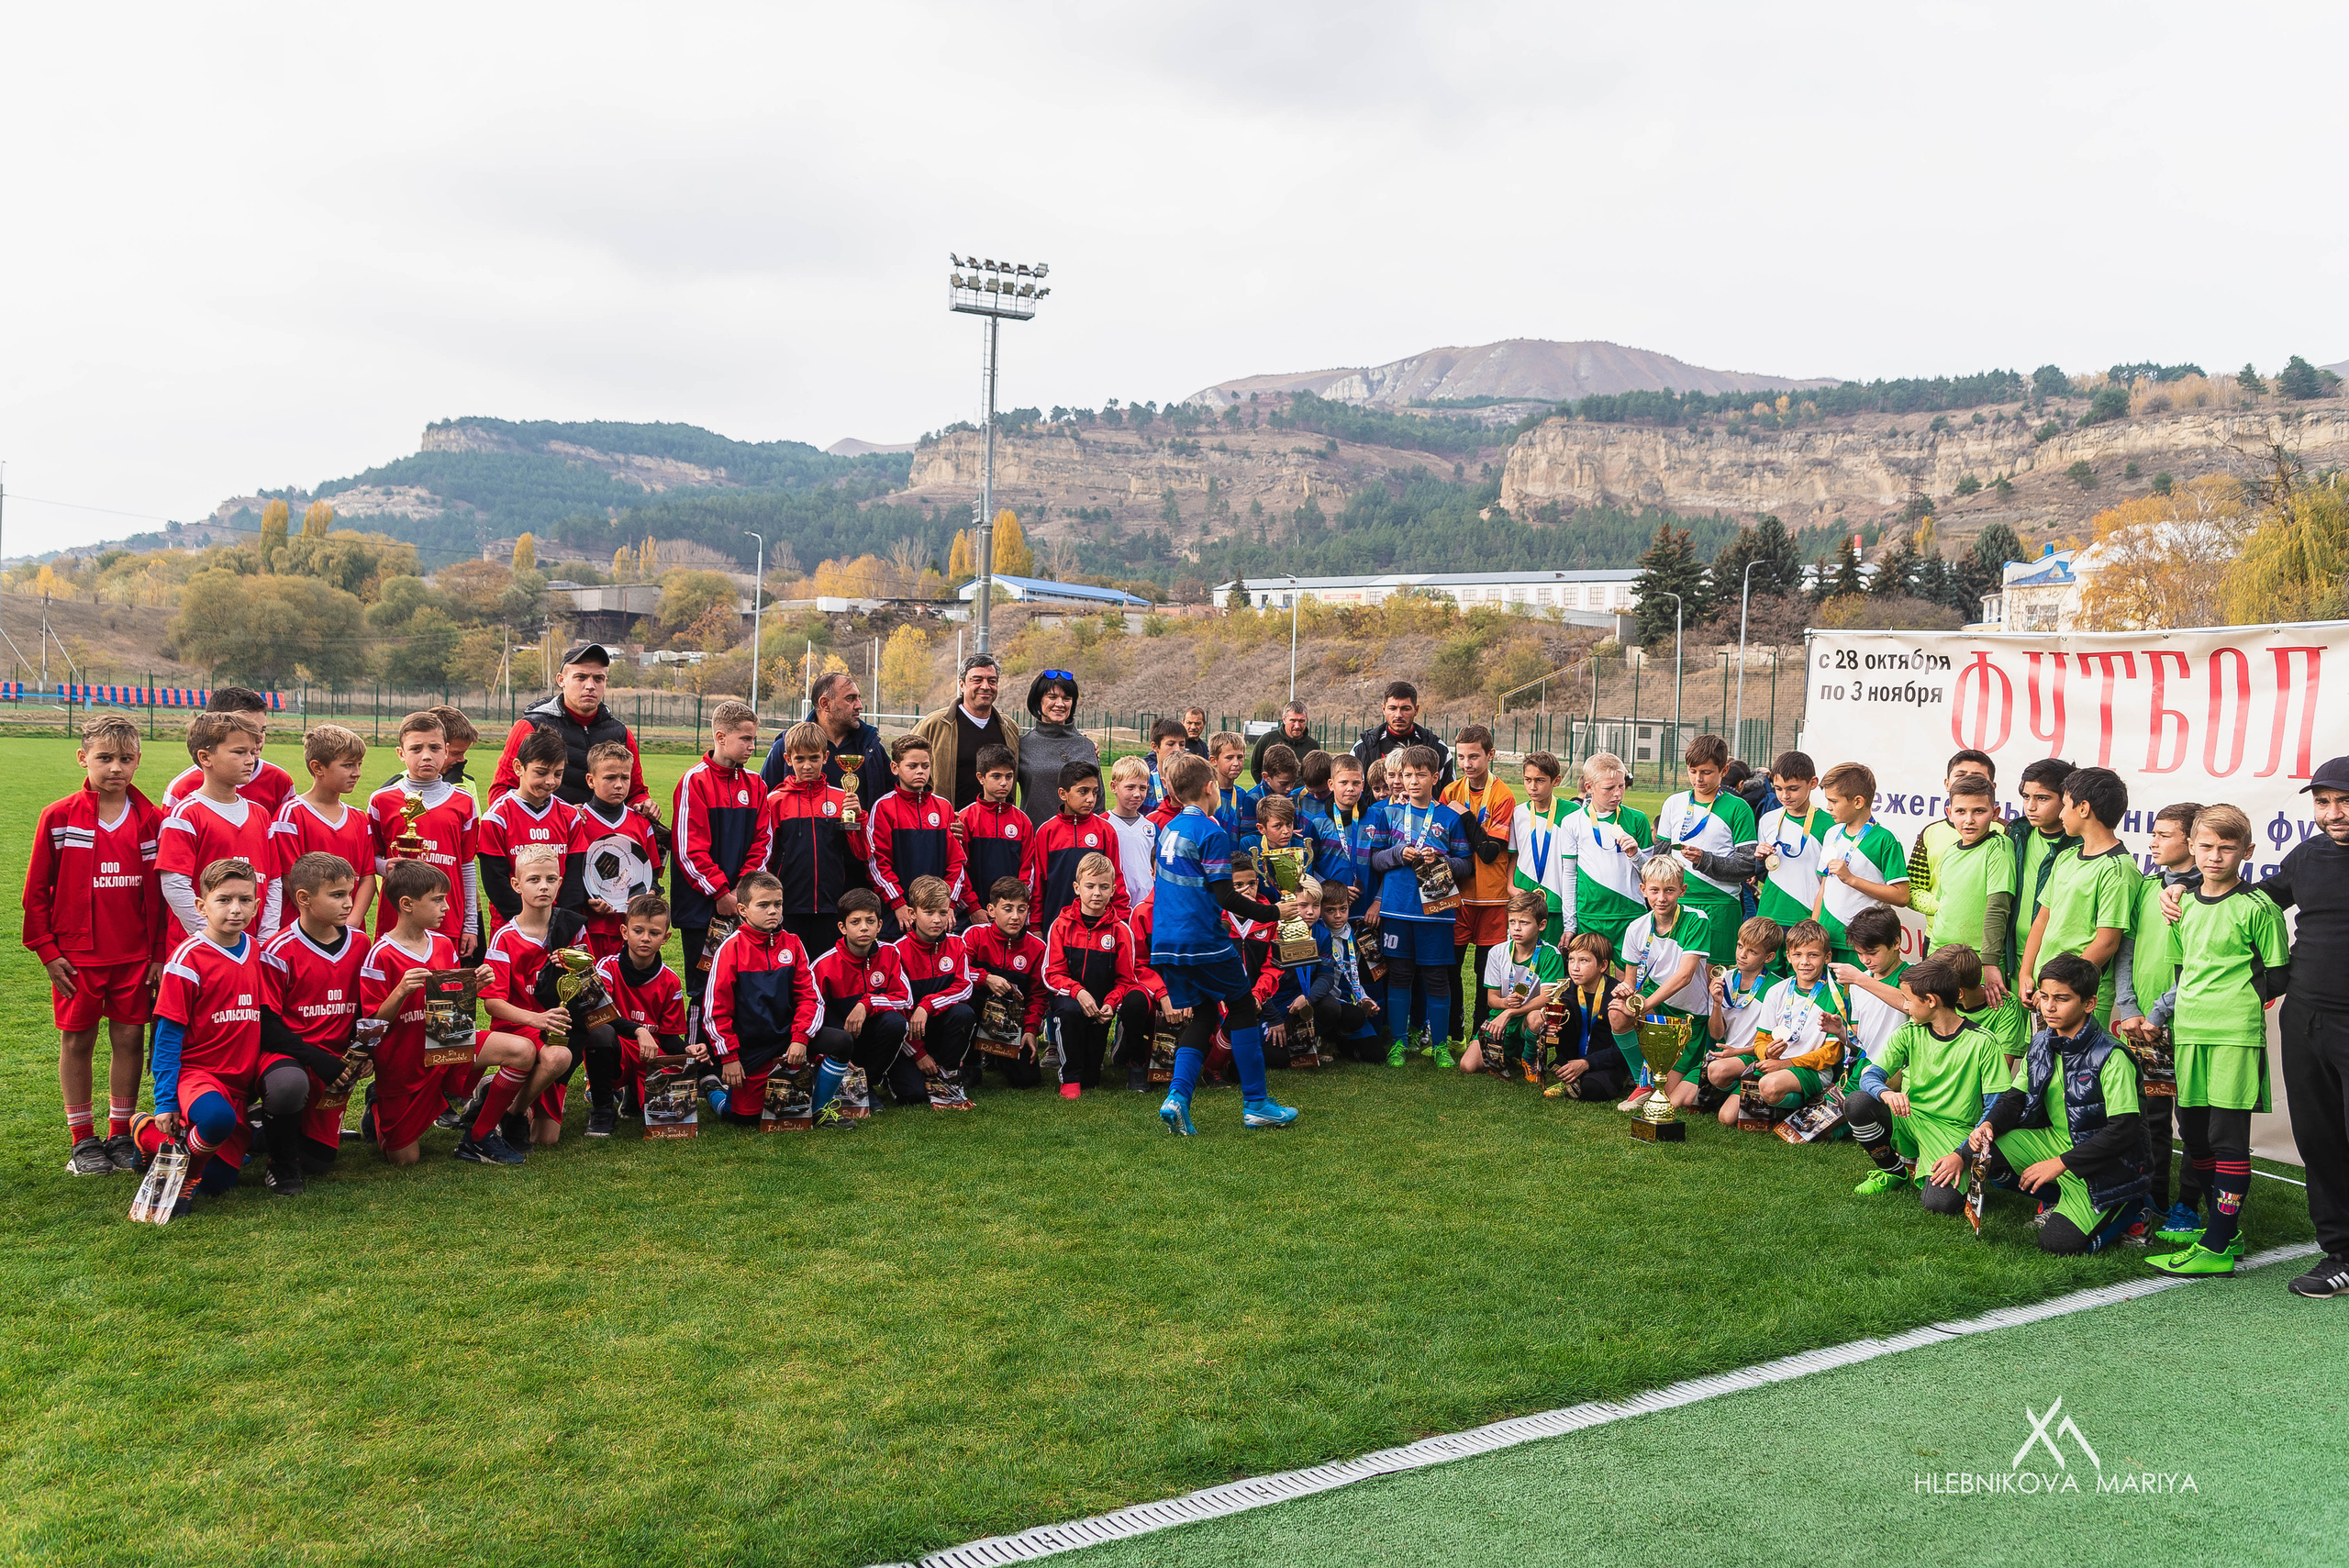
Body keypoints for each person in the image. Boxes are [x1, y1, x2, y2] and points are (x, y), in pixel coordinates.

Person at [2168, 756, 2349, 1299]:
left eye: (2344, 802)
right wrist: (2181, 886)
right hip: (2305, 1018)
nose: (2333, 814)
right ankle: (2340, 1254)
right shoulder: (2309, 855)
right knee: (2318, 1138)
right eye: (2323, 803)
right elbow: (2248, 902)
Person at [2132, 806, 2289, 1277]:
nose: (2215, 856)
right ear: (2193, 848)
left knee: (2227, 1137)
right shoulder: (2179, 904)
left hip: (2233, 1036)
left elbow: (2278, 975)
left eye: (2226, 847)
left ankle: (2217, 1246)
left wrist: (2235, 1003)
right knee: (2194, 1131)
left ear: (2248, 851)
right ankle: (2226, 1227)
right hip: (2189, 1032)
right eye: (2206, 846)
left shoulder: (2258, 908)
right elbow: (2183, 971)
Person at [28, 714, 169, 1174]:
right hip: (77, 958)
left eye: (126, 759)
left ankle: (121, 1133)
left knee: (129, 1038)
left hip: (134, 958)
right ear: (82, 757)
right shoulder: (59, 816)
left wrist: (157, 955)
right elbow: (36, 892)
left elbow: (166, 894)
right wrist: (49, 952)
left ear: (138, 762)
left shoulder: (153, 820)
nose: (115, 768)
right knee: (78, 1041)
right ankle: (82, 1140)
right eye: (104, 758)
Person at [131, 858, 308, 1212]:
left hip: (238, 1081)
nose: (235, 909)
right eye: (224, 900)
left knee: (222, 1182)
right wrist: (165, 1101)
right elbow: (166, 1037)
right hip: (198, 1075)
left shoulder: (257, 952)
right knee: (216, 1120)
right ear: (201, 906)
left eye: (245, 900)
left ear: (258, 905)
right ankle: (165, 1156)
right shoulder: (187, 960)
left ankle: (150, 1137)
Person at [1148, 751, 1300, 1134]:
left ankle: (1176, 1098)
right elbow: (1225, 896)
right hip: (1203, 938)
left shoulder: (1170, 828)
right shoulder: (1211, 831)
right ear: (1208, 787)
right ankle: (1256, 1104)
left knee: (1203, 1014)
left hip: (1167, 940)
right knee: (1244, 1008)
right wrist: (1274, 913)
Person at [1969, 952, 2151, 1255]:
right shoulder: (2041, 1040)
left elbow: (2124, 1130)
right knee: (1983, 1154)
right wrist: (1987, 1124)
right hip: (2056, 1145)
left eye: (2062, 999)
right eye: (2044, 996)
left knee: (2058, 1245)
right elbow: (2015, 1098)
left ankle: (2134, 1209)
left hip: (2107, 1166)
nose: (2049, 1007)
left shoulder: (2113, 1056)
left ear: (2089, 1003)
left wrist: (2061, 1163)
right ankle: (2059, 1198)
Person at [1843, 950, 2011, 1207]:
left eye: (1907, 999)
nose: (1905, 1005)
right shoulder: (1908, 1032)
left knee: (1939, 1204)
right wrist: (1886, 1093)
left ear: (1931, 1000)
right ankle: (1894, 1171)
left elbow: (1996, 1107)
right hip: (1910, 1119)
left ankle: (1941, 1168)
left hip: (1955, 1132)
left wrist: (1962, 1154)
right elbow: (1871, 1077)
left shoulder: (1983, 1042)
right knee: (1857, 1103)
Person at [2110, 799, 2205, 1229]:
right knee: (2151, 1117)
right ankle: (2154, 1200)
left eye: (2164, 835)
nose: (2153, 843)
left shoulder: (2207, 892)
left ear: (2191, 839)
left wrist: (2160, 1010)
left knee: (2195, 1120)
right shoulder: (2148, 887)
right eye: (2154, 833)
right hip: (2144, 1026)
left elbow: (2200, 966)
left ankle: (2189, 1204)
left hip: (2188, 1022)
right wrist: (2130, 1008)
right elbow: (2126, 950)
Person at [256, 851, 372, 1191]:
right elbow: (266, 1026)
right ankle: (280, 1165)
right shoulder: (279, 949)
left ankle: (258, 1128)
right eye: (337, 895)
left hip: (336, 1065)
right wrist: (315, 1058)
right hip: (291, 1057)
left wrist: (365, 1052)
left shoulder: (361, 944)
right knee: (288, 1087)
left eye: (350, 893)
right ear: (303, 899)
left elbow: (367, 1009)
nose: (349, 903)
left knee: (319, 1161)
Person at [475, 844, 590, 1149]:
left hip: (557, 1027)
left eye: (551, 879)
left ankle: (510, 1106)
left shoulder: (573, 929)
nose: (544, 886)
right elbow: (492, 1002)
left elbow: (588, 984)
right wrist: (538, 1018)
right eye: (534, 879)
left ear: (560, 882)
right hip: (519, 1028)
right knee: (557, 1056)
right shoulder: (505, 936)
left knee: (545, 1140)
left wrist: (574, 975)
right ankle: (510, 1106)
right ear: (516, 885)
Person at [1365, 744, 1472, 1068]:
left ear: (1435, 777)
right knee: (1399, 975)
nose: (1412, 781)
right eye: (1407, 775)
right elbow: (1375, 860)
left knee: (1437, 977)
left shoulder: (1449, 818)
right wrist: (1398, 854)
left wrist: (1444, 860)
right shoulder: (1388, 814)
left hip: (1437, 912)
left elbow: (1467, 865)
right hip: (1397, 910)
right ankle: (1399, 1042)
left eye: (1420, 775)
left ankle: (1439, 1045)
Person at [701, 872, 833, 1128]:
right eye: (763, 905)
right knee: (742, 1120)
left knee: (841, 1042)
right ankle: (712, 1088)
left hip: (787, 1040)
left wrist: (800, 1038)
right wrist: (729, 1057)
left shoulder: (793, 944)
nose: (773, 911)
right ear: (743, 910)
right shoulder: (730, 949)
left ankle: (818, 1110)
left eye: (778, 904)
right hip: (749, 1049)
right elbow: (714, 1012)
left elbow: (811, 999)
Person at [672, 699, 770, 1035]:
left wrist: (741, 893)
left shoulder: (756, 784)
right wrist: (720, 891)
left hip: (742, 906)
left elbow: (763, 842)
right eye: (745, 738)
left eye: (754, 738)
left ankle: (736, 1058)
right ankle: (697, 1059)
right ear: (720, 736)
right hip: (702, 908)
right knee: (703, 985)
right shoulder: (694, 782)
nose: (752, 746)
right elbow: (688, 848)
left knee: (741, 982)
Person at [2019, 765, 2140, 1026]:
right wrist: (2026, 974)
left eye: (2065, 805)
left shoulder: (2117, 868)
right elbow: (2042, 920)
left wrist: (2062, 988)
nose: (2061, 813)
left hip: (2077, 993)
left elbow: (2107, 942)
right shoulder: (2065, 857)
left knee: (2079, 1066)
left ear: (2083, 809)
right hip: (2049, 991)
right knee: (2045, 1064)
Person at [365, 710, 480, 956]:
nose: (426, 756)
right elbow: (367, 859)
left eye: (435, 748)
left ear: (446, 751)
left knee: (442, 991)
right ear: (401, 753)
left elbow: (467, 866)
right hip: (396, 920)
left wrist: (470, 925)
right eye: (416, 749)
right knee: (398, 988)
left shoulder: (463, 801)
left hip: (446, 918)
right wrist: (383, 866)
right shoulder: (381, 800)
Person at [1701, 916, 1837, 1125]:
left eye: (1813, 955)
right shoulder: (1778, 991)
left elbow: (1832, 1054)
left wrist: (1785, 1063)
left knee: (1769, 1087)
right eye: (1798, 954)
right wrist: (1767, 1053)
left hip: (1811, 1070)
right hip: (1773, 1065)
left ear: (1827, 957)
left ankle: (1804, 1103)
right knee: (1726, 1118)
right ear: (1788, 956)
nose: (1805, 962)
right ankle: (1763, 1100)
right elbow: (1761, 1041)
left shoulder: (1835, 995)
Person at [806, 887, 930, 1112]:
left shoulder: (890, 953)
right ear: (842, 927)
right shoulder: (823, 965)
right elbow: (810, 1015)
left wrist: (867, 1003)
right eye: (855, 922)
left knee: (896, 1025)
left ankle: (867, 1084)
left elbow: (905, 1000)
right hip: (839, 1044)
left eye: (870, 921)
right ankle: (831, 1079)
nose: (864, 927)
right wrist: (823, 1055)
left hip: (874, 1040)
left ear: (879, 925)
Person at [159, 710, 279, 940]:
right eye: (239, 752)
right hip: (200, 948)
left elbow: (273, 882)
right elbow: (175, 885)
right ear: (205, 757)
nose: (250, 760)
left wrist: (265, 937)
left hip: (251, 946)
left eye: (252, 752)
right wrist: (213, 936)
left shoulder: (261, 815)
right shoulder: (185, 815)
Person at [1044, 851, 1158, 1093]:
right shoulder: (1061, 925)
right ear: (1077, 887)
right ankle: (1069, 1077)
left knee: (1092, 1079)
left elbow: (1126, 980)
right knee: (1069, 1011)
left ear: (1113, 890)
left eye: (1103, 887)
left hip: (1100, 1010)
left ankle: (1086, 1070)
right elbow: (1051, 973)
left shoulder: (1120, 930)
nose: (1096, 892)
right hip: (1070, 1002)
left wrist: (1110, 1003)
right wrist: (1078, 992)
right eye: (1090, 886)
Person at [488, 643, 648, 808]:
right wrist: (553, 817)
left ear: (606, 682)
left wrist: (644, 804)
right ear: (561, 680)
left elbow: (636, 793)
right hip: (551, 832)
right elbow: (501, 793)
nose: (590, 686)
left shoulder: (621, 732)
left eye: (598, 679)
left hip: (605, 832)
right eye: (581, 677)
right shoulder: (530, 727)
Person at [760, 720, 866, 961]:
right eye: (800, 759)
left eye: (814, 758)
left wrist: (857, 819)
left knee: (825, 969)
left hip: (830, 905)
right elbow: (766, 857)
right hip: (788, 905)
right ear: (788, 759)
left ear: (826, 757)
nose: (807, 765)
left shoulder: (841, 799)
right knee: (789, 969)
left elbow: (860, 853)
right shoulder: (775, 801)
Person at [1616, 855, 1717, 1106]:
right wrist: (1625, 993)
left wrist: (1644, 1005)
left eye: (1669, 891)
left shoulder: (1696, 919)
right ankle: (1644, 1081)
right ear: (1643, 890)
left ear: (1682, 890)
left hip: (1688, 1014)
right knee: (1617, 1012)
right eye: (1655, 890)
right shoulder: (1636, 928)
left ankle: (1662, 1080)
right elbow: (1631, 982)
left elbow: (1684, 976)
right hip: (1653, 1005)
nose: (1662, 898)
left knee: (1671, 1096)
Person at [1443, 725, 1518, 1049]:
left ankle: (1480, 1033)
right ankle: (1453, 1028)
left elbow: (1489, 853)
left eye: (1474, 756)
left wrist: (1467, 820)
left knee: (1485, 973)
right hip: (1456, 896)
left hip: (1492, 897)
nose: (1467, 763)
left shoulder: (1503, 796)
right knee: (1450, 967)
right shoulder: (1449, 792)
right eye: (1461, 757)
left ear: (1490, 755)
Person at [267, 725, 380, 936]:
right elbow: (290, 879)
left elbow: (367, 877)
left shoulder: (359, 818)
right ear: (318, 768)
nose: (357, 773)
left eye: (359, 764)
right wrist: (325, 924)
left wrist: (352, 923)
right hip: (305, 932)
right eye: (348, 765)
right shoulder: (291, 815)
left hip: (350, 933)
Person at [1659, 732, 1758, 967]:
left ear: (1724, 770)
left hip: (1721, 905)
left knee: (1713, 980)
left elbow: (1746, 865)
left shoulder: (1738, 807)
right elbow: (1660, 856)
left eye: (1706, 772)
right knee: (1672, 977)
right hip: (1678, 903)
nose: (1698, 779)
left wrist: (1705, 860)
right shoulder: (1673, 803)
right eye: (1693, 771)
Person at [594, 892, 690, 1122]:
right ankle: (602, 1110)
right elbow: (599, 1014)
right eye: (638, 931)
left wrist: (689, 1051)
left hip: (650, 1055)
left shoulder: (671, 980)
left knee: (675, 1093)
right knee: (599, 1032)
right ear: (624, 932)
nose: (645, 938)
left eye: (654, 933)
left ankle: (635, 1096)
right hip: (617, 1050)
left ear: (665, 937)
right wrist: (638, 1030)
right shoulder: (606, 968)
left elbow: (668, 1038)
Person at [476, 728, 577, 934]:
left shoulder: (570, 816)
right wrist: (525, 920)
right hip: (511, 925)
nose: (550, 781)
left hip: (559, 925)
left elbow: (575, 876)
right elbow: (495, 881)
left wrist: (560, 920)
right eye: (541, 772)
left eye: (558, 774)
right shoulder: (497, 817)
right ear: (518, 767)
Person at [1814, 761, 1908, 969]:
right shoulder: (1831, 833)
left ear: (1857, 801)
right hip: (1828, 938)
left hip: (1863, 944)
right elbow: (1824, 887)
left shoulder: (1884, 839)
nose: (1828, 807)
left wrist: (1852, 880)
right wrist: (1814, 929)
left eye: (1834, 801)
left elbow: (1901, 896)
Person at [1560, 751, 1653, 959]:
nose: (1617, 793)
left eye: (1621, 786)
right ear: (1589, 787)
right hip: (1590, 915)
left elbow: (1652, 874)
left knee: (1627, 983)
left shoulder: (1638, 819)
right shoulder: (1572, 822)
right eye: (1609, 788)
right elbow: (1569, 875)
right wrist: (1569, 924)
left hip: (1630, 913)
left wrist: (1636, 854)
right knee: (1590, 983)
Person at [895, 875, 980, 1097]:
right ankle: (898, 1073)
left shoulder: (957, 944)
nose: (937, 920)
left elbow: (965, 988)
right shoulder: (897, 952)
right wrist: (918, 1054)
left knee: (963, 1012)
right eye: (929, 912)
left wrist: (927, 1005)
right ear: (912, 914)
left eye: (942, 913)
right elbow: (896, 1009)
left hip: (940, 1028)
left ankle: (948, 1069)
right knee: (913, 1096)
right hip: (910, 1039)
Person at [1687, 916, 1783, 1113]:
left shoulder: (1778, 987)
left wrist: (1737, 1052)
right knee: (1679, 1100)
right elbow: (1716, 1035)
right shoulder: (1725, 978)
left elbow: (1775, 1044)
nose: (1742, 955)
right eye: (1740, 946)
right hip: (1725, 1054)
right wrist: (1716, 1003)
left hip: (1753, 1057)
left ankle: (1739, 1089)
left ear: (1769, 957)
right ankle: (1731, 1089)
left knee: (1720, 1079)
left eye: (1752, 951)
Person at [963, 875, 1050, 1090]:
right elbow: (959, 975)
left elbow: (1039, 996)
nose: (1015, 916)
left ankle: (996, 1055)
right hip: (976, 1011)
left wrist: (1030, 1030)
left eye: (1022, 909)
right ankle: (971, 1063)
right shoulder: (974, 935)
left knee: (1027, 1080)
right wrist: (985, 979)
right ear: (991, 911)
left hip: (1012, 1021)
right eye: (1008, 909)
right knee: (962, 1007)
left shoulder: (1037, 948)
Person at [1468, 889, 1564, 1078]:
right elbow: (1492, 999)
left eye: (1524, 923)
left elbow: (1547, 999)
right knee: (1468, 1066)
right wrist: (1504, 1005)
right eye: (1512, 922)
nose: (1516, 928)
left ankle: (1528, 1056)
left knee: (1536, 1018)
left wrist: (1510, 1012)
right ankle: (1510, 1053)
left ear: (1542, 925)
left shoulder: (1551, 955)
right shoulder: (1497, 952)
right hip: (1500, 1017)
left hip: (1527, 1019)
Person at [1022, 758, 1126, 931]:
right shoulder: (1047, 831)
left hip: (1098, 927)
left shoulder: (1105, 831)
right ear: (1063, 794)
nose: (1090, 799)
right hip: (1054, 923)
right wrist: (1035, 926)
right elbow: (1038, 884)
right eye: (1083, 792)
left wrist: (1121, 919)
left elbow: (1117, 878)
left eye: (1094, 792)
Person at [760, 671, 890, 807]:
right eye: (850, 698)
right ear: (825, 703)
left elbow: (893, 799)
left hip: (859, 827)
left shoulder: (871, 747)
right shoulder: (786, 746)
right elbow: (763, 803)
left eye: (858, 698)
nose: (859, 705)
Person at [911, 654, 1022, 811]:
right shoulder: (934, 724)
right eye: (977, 680)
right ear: (962, 685)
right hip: (947, 825)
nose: (985, 686)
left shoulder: (1009, 728)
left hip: (997, 828)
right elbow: (905, 770)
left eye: (992, 681)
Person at [1902, 750, 1996, 932]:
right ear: (1947, 783)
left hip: (1986, 942)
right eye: (1960, 775)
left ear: (1992, 786)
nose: (1966, 781)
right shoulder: (1930, 833)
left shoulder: (2006, 833)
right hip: (1936, 937)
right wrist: (1940, 905)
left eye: (1977, 776)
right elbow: (1911, 890)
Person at [162, 686, 295, 814]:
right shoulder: (182, 788)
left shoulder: (279, 781)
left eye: (262, 730)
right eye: (248, 730)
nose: (259, 738)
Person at [2004, 758, 2079, 978]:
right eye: (2026, 797)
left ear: (2067, 799)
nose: (2031, 806)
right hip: (2010, 957)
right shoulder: (2016, 834)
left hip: (2056, 961)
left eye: (2042, 798)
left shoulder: (2082, 847)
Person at [1544, 933, 1637, 1103]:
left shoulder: (1617, 994)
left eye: (1584, 961)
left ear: (1602, 965)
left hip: (1605, 1062)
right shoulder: (1564, 989)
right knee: (1565, 1007)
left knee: (1592, 1090)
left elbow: (1623, 1047)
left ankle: (1575, 1077)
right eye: (1571, 959)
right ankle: (1568, 1069)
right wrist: (1548, 1030)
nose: (1575, 967)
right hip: (1572, 1057)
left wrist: (1587, 1063)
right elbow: (1554, 1033)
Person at [1753, 751, 1831, 947]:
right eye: (1778, 788)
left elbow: (1830, 881)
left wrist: (1816, 919)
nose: (1784, 795)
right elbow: (1765, 874)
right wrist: (1760, 860)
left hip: (1806, 917)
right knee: (1768, 976)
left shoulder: (1829, 825)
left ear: (1813, 783)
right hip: (1769, 914)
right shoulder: (1768, 820)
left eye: (1793, 789)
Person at [1308, 883, 1382, 1062]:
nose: (1338, 915)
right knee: (1345, 1013)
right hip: (1323, 1003)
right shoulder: (1315, 934)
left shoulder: (1354, 935)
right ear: (1320, 910)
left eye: (1343, 909)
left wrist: (1363, 999)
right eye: (1330, 910)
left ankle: (1338, 1042)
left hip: (1349, 1002)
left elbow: (1354, 976)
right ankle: (1324, 1037)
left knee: (1376, 1056)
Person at [1508, 751, 1574, 945]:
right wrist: (1510, 886)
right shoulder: (1518, 813)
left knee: (1555, 957)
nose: (1533, 786)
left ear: (1557, 780)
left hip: (1557, 900)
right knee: (1521, 953)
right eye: (1528, 780)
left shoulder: (1572, 813)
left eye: (1540, 780)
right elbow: (1514, 854)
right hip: (1523, 896)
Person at [1018, 669, 1098, 827]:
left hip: (1081, 842)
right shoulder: (1022, 745)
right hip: (1035, 840)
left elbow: (1099, 802)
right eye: (1052, 697)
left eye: (1066, 698)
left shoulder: (1086, 746)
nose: (1060, 704)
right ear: (1038, 701)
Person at [956, 744, 1028, 919]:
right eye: (996, 776)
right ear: (981, 778)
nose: (1004, 782)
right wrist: (973, 908)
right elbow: (959, 869)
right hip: (974, 912)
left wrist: (1016, 907)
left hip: (1012, 914)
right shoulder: (966, 818)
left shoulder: (1023, 821)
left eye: (1009, 776)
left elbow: (1027, 870)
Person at [1352, 680, 1452, 789]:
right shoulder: (1362, 748)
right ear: (1383, 709)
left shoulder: (1438, 748)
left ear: (1416, 710)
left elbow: (1449, 796)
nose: (1398, 715)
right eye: (1392, 708)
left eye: (1405, 709)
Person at [1105, 755, 1159, 909]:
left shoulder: (1152, 828)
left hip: (1147, 905)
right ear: (1114, 787)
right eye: (1130, 787)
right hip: (1114, 906)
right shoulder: (1103, 824)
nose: (1137, 794)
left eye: (1142, 788)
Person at [1241, 742, 1302, 851]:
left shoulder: (1292, 796)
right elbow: (1247, 834)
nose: (1289, 788)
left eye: (1293, 782)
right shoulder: (1252, 798)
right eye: (1283, 783)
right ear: (1266, 777)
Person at [1250, 701, 1319, 785]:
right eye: (1293, 720)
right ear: (1284, 719)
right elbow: (1255, 769)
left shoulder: (1313, 746)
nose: (1297, 726)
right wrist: (1269, 790)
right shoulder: (1267, 740)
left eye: (1301, 721)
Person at [1143, 718, 1192, 812]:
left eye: (1182, 744)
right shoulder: (1145, 784)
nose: (1178, 749)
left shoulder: (1192, 783)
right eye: (1171, 744)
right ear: (1155, 747)